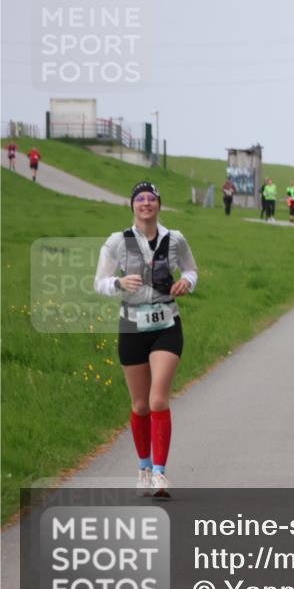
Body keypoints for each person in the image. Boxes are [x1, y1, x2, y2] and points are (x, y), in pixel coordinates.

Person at [93, 181, 198, 498]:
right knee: (140, 405)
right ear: (132, 206)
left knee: (157, 400)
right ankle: (143, 466)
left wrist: (186, 284)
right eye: (140, 199)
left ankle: (160, 473)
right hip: (132, 326)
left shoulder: (174, 239)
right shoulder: (117, 243)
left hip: (167, 323)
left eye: (151, 199)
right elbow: (99, 282)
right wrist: (119, 283)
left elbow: (192, 271)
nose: (146, 203)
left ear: (159, 205)